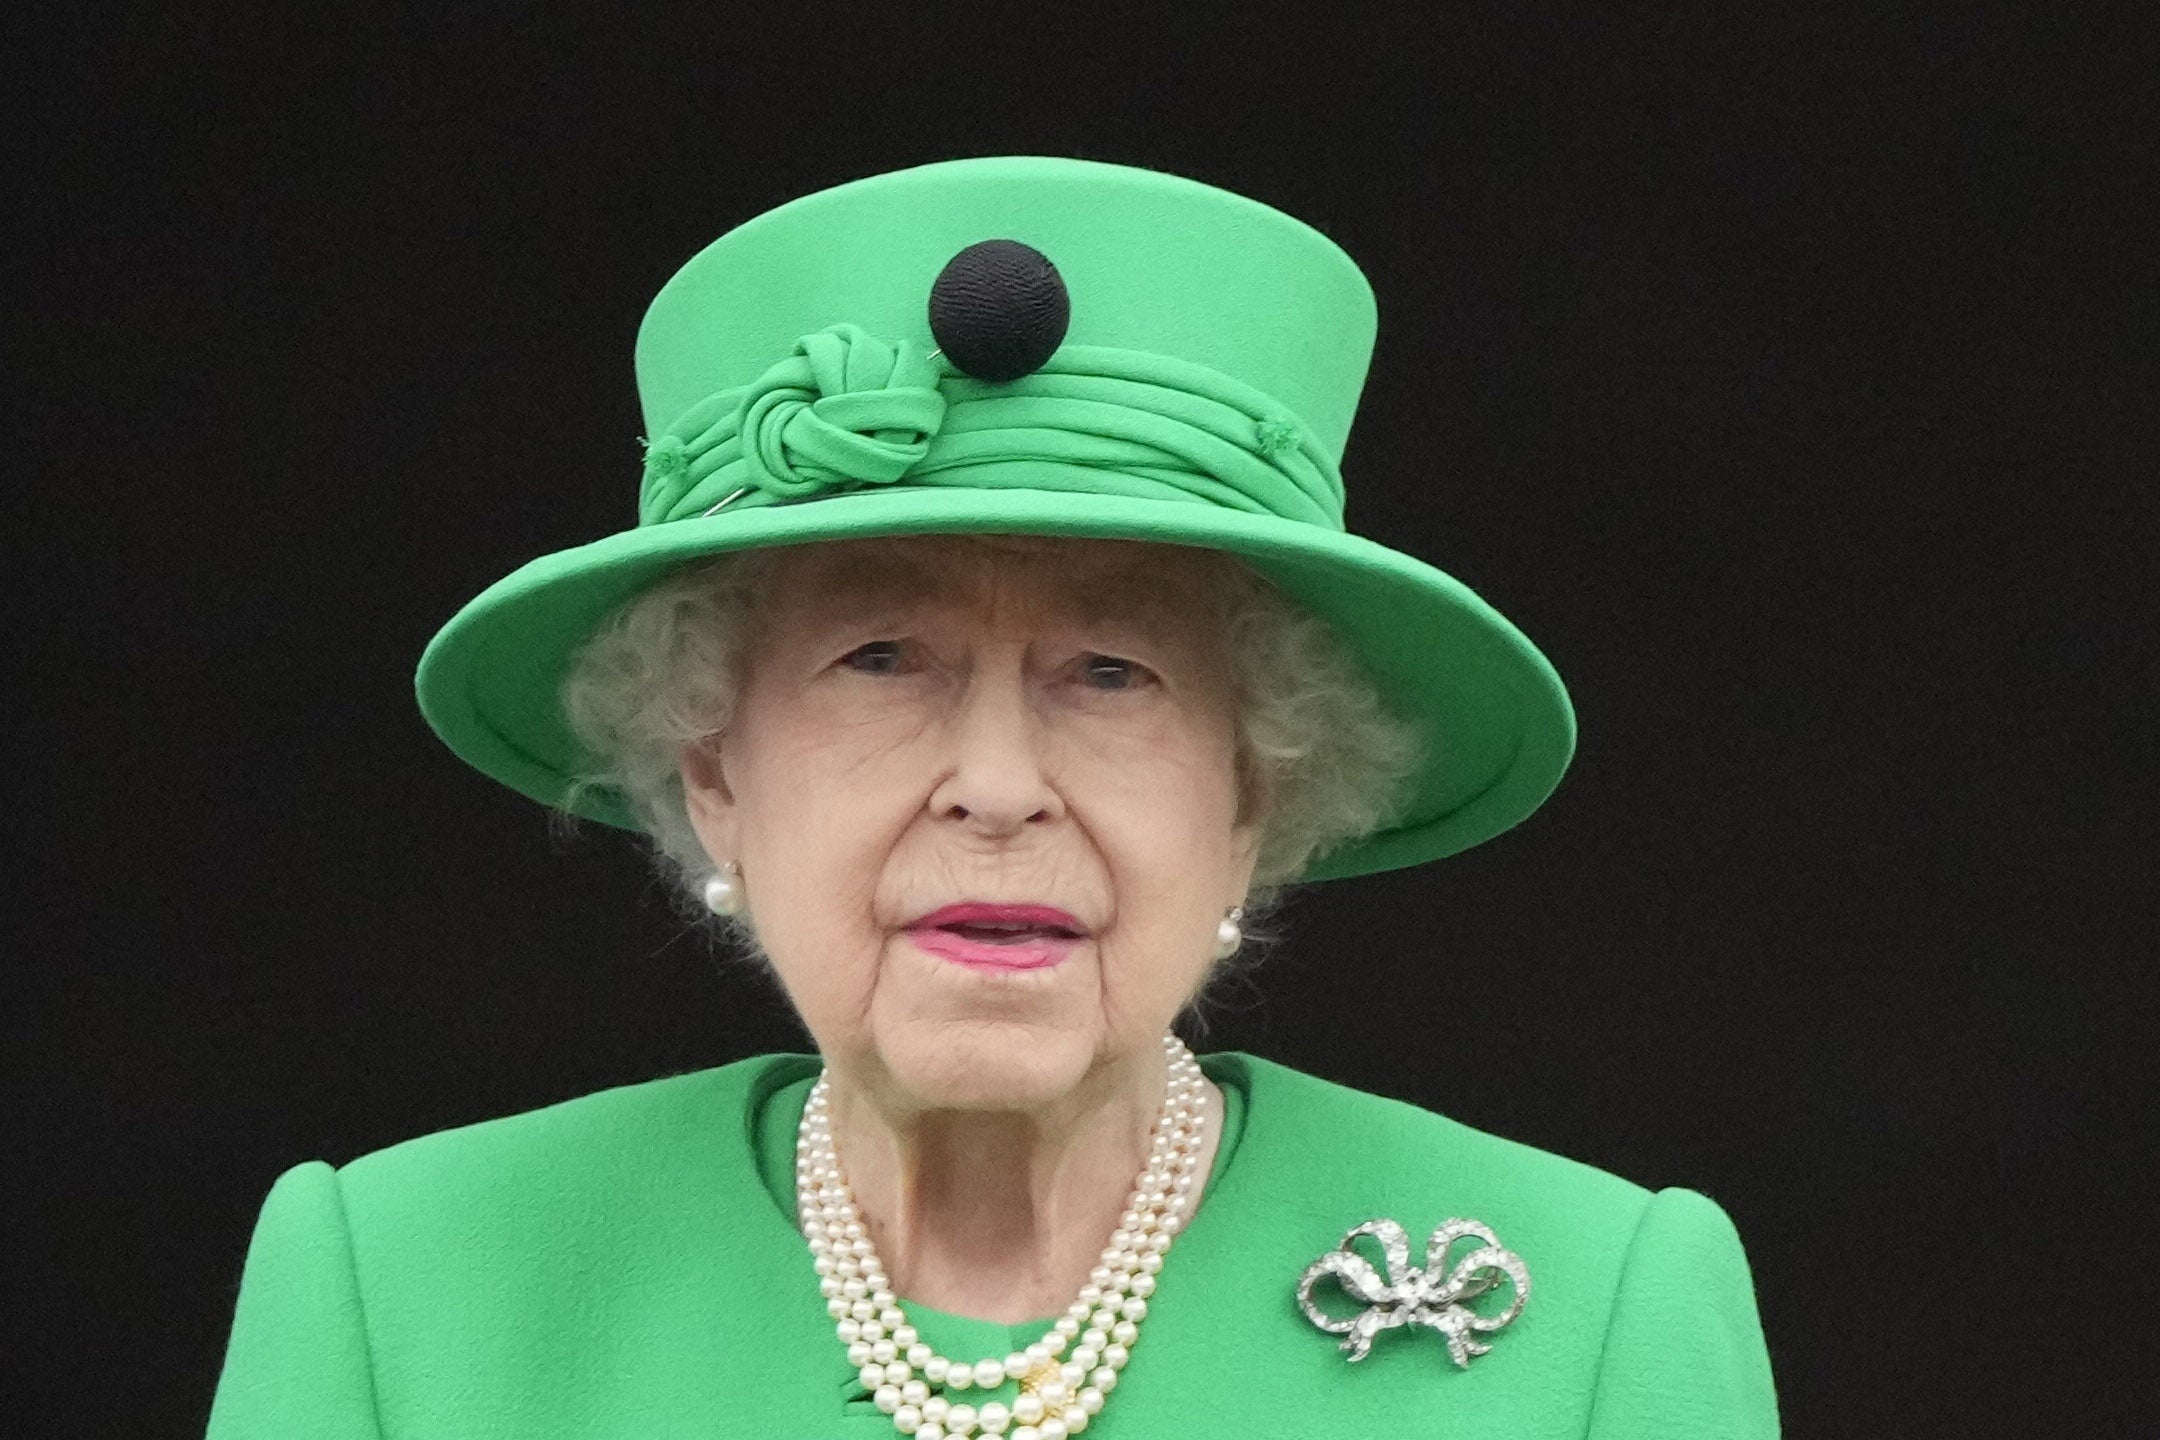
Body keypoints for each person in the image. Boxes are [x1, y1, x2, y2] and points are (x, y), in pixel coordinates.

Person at [206, 156, 1778, 1438]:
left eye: (1111, 671)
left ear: (1254, 790)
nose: (1000, 787)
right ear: (713, 775)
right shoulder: (401, 1287)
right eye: (883, 657)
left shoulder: (1592, 1312)